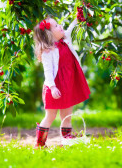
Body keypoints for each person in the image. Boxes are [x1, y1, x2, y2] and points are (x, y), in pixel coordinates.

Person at [32, 16, 91, 149]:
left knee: (67, 115)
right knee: (50, 116)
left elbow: (71, 28)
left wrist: (78, 17)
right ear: (50, 34)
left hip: (68, 84)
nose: (60, 26)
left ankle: (66, 141)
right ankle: (40, 143)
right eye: (56, 26)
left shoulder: (66, 40)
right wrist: (52, 88)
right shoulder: (48, 51)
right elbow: (48, 72)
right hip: (54, 86)